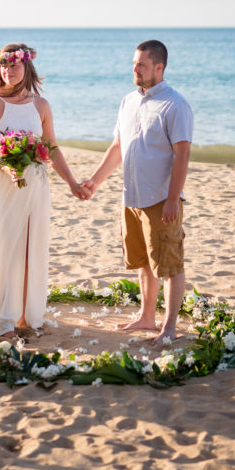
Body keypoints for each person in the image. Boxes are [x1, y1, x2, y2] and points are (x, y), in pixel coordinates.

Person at [0, 44, 89, 337]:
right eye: (4, 66)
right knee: (3, 246)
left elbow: (52, 148)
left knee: (30, 246)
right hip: (1, 184)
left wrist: (72, 183)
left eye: (14, 65)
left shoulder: (41, 106)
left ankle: (25, 316)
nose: (8, 71)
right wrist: (2, 166)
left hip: (35, 184)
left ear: (27, 68)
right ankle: (1, 317)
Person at [82, 40, 193, 345]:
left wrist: (173, 198)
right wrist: (95, 180)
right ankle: (147, 316)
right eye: (134, 63)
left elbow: (182, 155)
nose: (135, 69)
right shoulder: (128, 101)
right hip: (130, 197)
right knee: (143, 261)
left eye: (142, 64)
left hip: (161, 198)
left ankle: (169, 327)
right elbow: (118, 147)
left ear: (160, 67)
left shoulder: (175, 104)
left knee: (169, 264)